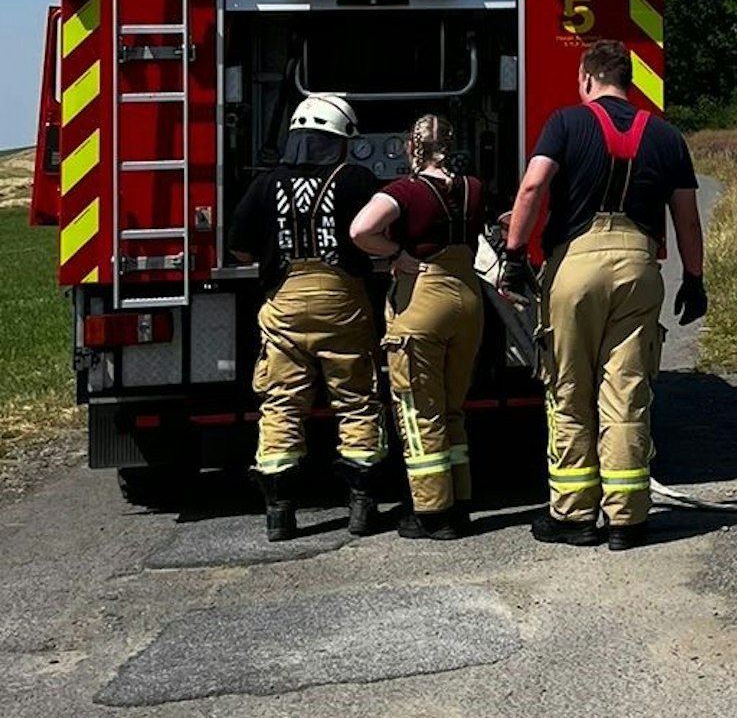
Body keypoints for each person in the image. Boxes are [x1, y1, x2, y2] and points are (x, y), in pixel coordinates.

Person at [500, 40, 706, 551]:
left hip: (576, 266)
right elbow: (685, 216)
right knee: (628, 392)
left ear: (588, 79)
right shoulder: (665, 135)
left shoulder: (565, 123)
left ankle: (572, 516)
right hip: (639, 267)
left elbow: (532, 189)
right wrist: (695, 279)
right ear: (628, 81)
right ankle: (628, 519)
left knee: (570, 391)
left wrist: (513, 253)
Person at [227, 93, 387, 542]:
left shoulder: (266, 183)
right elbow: (380, 233)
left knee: (281, 403)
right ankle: (361, 507)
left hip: (285, 306)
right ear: (340, 141)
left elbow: (239, 246)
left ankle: (279, 512)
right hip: (343, 304)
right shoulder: (355, 179)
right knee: (356, 400)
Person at [349, 114, 487, 540]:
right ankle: (460, 502)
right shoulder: (474, 188)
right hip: (468, 300)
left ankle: (432, 513)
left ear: (411, 149)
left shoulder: (404, 191)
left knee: (420, 411)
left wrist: (394, 253)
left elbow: (360, 230)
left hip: (423, 301)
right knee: (452, 408)